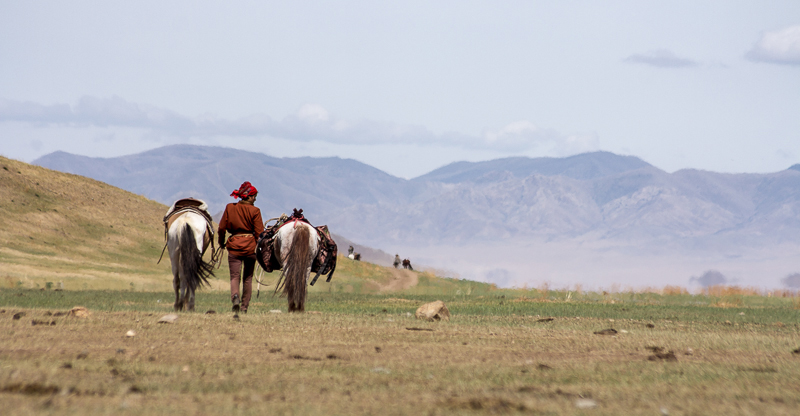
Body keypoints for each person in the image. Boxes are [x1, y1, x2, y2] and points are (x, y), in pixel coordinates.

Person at [217, 181, 264, 313]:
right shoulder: (255, 211)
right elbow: (260, 234)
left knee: (234, 276)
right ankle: (244, 308)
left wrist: (221, 243)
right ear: (248, 197)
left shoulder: (230, 207)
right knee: (247, 279)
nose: (255, 199)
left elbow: (221, 228)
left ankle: (235, 297)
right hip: (250, 248)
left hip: (234, 247)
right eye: (254, 196)